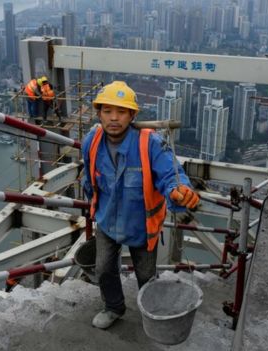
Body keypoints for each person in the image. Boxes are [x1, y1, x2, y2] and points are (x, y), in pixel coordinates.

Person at [81, 81, 200, 330]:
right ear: (99, 113)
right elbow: (88, 176)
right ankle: (113, 306)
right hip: (106, 220)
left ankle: (154, 314)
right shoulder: (91, 141)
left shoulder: (150, 143)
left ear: (132, 114)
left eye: (121, 112)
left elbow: (171, 174)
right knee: (103, 269)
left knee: (146, 276)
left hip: (141, 225)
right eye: (107, 111)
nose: (114, 118)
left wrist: (180, 192)